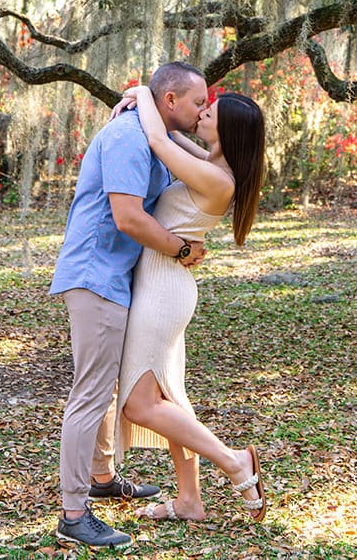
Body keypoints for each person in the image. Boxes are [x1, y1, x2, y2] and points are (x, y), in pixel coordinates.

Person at [50, 61, 212, 548]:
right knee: (90, 393)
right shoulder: (128, 138)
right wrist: (182, 251)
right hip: (96, 276)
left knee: (105, 387)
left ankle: (101, 477)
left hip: (117, 280)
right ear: (170, 102)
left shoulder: (153, 135)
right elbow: (127, 218)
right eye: (198, 102)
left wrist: (140, 93)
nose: (203, 110)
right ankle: (74, 514)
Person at [110, 84, 268, 524]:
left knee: (139, 404)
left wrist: (143, 91)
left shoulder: (218, 179)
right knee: (169, 396)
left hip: (163, 291)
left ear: (229, 130)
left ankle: (235, 462)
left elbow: (160, 141)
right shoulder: (210, 165)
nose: (203, 111)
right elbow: (172, 137)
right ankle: (189, 501)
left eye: (211, 110)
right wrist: (152, 104)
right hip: (162, 284)